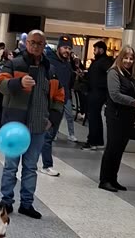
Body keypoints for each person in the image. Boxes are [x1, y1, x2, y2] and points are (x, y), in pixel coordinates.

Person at [0, 30, 65, 219]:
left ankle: (27, 203)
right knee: (11, 165)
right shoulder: (14, 63)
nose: (35, 46)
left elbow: (59, 96)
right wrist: (18, 82)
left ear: (44, 46)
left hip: (38, 126)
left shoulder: (50, 69)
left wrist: (52, 119)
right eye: (32, 42)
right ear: (26, 44)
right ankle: (6, 201)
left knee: (31, 167)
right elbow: (0, 85)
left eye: (39, 43)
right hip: (16, 126)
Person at [98, 46, 135, 192]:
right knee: (112, 147)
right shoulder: (114, 73)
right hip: (115, 116)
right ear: (120, 58)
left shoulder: (132, 75)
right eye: (126, 57)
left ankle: (113, 178)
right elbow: (115, 95)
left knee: (120, 149)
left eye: (131, 58)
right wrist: (134, 102)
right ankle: (104, 180)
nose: (128, 61)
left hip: (128, 117)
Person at [40, 36, 76, 177]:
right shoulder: (49, 61)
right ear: (59, 47)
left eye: (69, 48)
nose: (67, 51)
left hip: (62, 101)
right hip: (49, 102)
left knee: (51, 134)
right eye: (65, 47)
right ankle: (47, 165)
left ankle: (42, 161)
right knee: (48, 135)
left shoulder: (67, 63)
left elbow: (68, 82)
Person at [82, 41, 113, 150]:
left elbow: (110, 74)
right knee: (94, 117)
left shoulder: (104, 62)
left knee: (93, 117)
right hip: (94, 91)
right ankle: (96, 140)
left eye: (95, 49)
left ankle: (93, 141)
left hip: (98, 92)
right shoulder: (99, 61)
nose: (94, 51)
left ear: (101, 50)